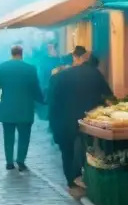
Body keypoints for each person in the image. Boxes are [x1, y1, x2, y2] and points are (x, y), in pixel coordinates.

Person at [47, 46, 113, 192]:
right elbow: (109, 96)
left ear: (75, 58)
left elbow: (53, 102)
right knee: (86, 149)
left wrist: (53, 124)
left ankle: (71, 180)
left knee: (67, 151)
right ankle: (83, 177)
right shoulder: (94, 73)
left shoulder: (60, 76)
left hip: (65, 121)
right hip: (89, 120)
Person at [0, 45, 44, 171]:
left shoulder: (1, 68)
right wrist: (42, 101)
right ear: (22, 54)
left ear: (11, 53)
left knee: (8, 137)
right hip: (25, 109)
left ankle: (9, 162)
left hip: (7, 109)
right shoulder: (30, 69)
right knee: (24, 137)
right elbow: (36, 89)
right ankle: (21, 161)